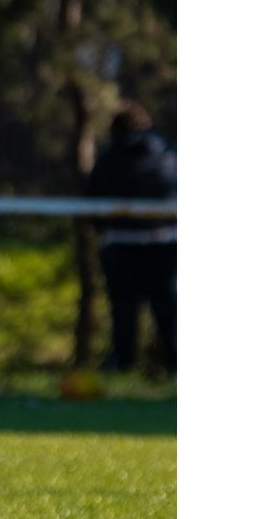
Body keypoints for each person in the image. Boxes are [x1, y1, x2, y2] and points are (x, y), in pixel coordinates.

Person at [86, 101, 176, 375]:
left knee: (124, 310)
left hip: (121, 246)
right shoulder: (169, 154)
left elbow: (93, 202)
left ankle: (123, 368)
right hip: (166, 243)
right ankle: (176, 369)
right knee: (169, 310)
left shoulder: (110, 156)